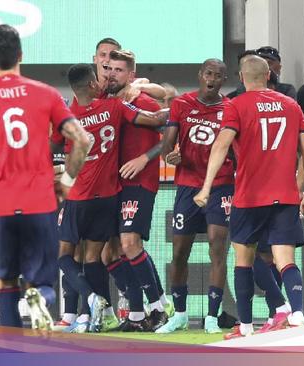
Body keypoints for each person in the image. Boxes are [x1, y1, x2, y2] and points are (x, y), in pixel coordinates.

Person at [0, 24, 93, 330]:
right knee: (42, 281)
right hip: (39, 200)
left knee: (5, 283)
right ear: (21, 56)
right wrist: (66, 182)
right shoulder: (46, 94)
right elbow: (82, 140)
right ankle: (39, 298)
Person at [194, 55, 304, 339]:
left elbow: (221, 145)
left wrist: (206, 187)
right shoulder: (291, 105)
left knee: (243, 260)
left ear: (241, 77)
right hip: (285, 195)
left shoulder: (236, 105)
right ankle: (298, 315)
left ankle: (246, 326)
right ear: (268, 76)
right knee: (285, 259)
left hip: (249, 195)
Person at [156, 58, 232, 334]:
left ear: (224, 80)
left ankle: (212, 316)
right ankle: (180, 314)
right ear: (200, 75)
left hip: (220, 185)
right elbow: (166, 148)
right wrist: (172, 155)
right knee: (178, 252)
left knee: (217, 245)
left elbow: (235, 150)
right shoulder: (181, 104)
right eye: (208, 73)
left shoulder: (229, 108)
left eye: (218, 76)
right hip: (187, 186)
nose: (212, 79)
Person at [102, 49, 171, 332]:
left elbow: (168, 137)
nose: (112, 74)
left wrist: (144, 158)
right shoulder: (104, 104)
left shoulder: (145, 102)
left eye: (118, 70)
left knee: (130, 244)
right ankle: (136, 314)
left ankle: (158, 308)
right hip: (110, 184)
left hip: (139, 181)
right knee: (109, 253)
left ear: (132, 75)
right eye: (109, 69)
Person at [227, 46, 296, 99]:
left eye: (269, 63)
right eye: (261, 63)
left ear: (279, 68)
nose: (265, 67)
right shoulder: (234, 98)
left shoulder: (287, 92)